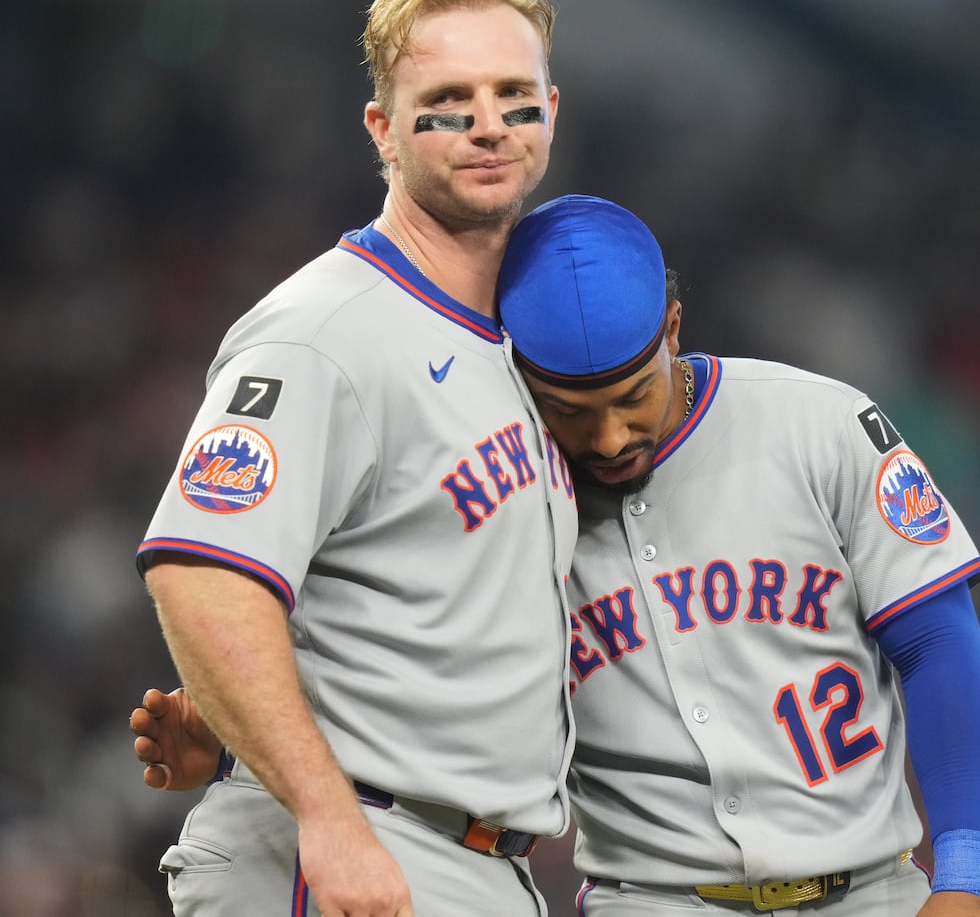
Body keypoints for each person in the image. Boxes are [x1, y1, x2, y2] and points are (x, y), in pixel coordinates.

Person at [134, 195, 980, 916]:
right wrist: (247, 748)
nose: (609, 436)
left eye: (631, 395)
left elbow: (938, 638)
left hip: (874, 891)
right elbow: (404, 675)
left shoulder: (817, 426)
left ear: (673, 329)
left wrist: (966, 869)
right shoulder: (503, 505)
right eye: (570, 408)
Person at [132, 0, 578, 917]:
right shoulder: (324, 331)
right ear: (382, 126)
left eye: (514, 94)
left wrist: (229, 719)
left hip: (473, 862)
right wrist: (329, 817)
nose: (490, 122)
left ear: (553, 111)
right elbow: (201, 573)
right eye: (450, 99)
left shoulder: (526, 342)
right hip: (347, 847)